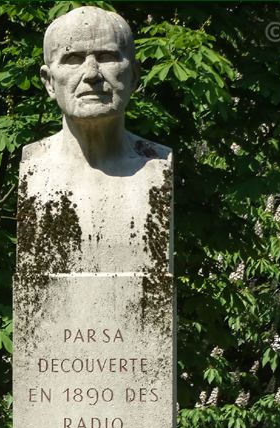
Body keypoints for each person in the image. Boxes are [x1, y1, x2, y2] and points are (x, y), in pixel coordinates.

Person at [18, 6, 172, 274]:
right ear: (49, 82)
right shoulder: (34, 167)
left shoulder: (157, 165)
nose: (91, 73)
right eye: (73, 59)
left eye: (106, 57)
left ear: (134, 76)